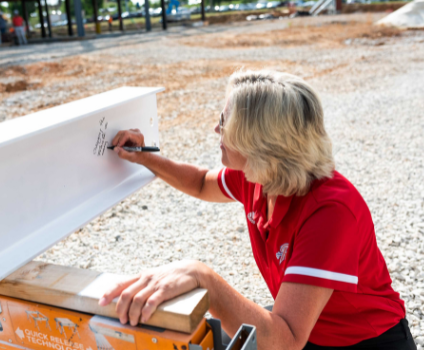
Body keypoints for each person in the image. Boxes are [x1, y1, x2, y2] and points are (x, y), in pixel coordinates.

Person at [100, 70, 412, 350]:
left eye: (224, 122)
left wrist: (203, 277)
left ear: (258, 142)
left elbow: (285, 341)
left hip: (365, 342)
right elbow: (198, 182)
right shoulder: (260, 175)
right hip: (308, 332)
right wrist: (143, 157)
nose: (214, 128)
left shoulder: (331, 211)